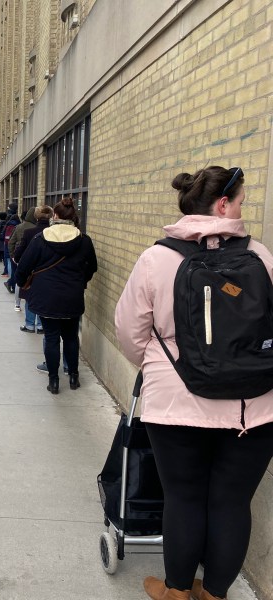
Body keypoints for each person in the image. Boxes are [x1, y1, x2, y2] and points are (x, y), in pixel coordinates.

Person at [115, 166, 273, 600]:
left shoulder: (157, 259)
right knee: (231, 502)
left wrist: (161, 372)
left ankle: (177, 592)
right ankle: (214, 595)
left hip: (177, 403)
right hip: (254, 407)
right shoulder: (260, 257)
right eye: (240, 200)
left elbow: (129, 332)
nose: (243, 208)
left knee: (183, 499)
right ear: (223, 204)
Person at [15, 198, 97, 394]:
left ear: (55, 216)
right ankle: (74, 377)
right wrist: (80, 281)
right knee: (70, 337)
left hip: (46, 297)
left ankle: (53, 381)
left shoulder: (40, 239)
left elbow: (24, 266)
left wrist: (22, 282)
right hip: (73, 296)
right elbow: (92, 267)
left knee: (51, 338)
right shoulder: (84, 240)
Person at [15, 205, 52, 333]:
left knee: (30, 298)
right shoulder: (53, 233)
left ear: (36, 216)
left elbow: (20, 252)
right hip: (49, 273)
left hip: (31, 272)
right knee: (44, 299)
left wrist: (17, 259)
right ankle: (42, 325)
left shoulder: (29, 233)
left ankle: (30, 324)